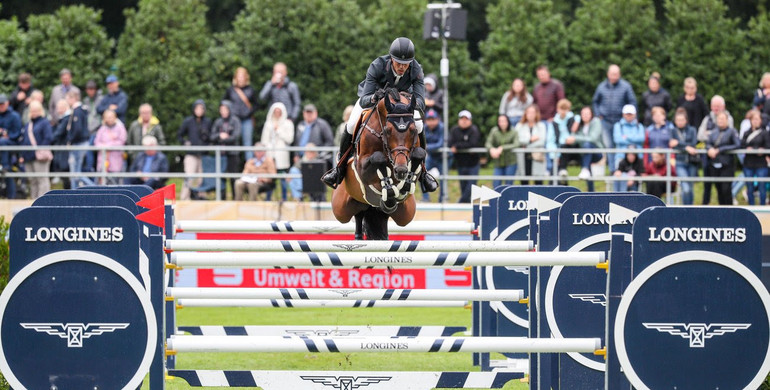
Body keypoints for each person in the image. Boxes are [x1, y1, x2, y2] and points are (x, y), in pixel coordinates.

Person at [322, 37, 437, 194]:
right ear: (391, 59)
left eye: (406, 64)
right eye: (398, 63)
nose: (402, 67)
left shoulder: (416, 69)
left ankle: (423, 173)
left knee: (418, 124)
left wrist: (406, 101)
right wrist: (375, 97)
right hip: (374, 100)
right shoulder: (377, 65)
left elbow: (421, 102)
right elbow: (364, 99)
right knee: (351, 123)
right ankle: (339, 168)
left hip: (402, 107)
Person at [592, 64, 637, 171]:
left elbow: (632, 102)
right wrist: (598, 115)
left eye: (616, 74)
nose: (614, 76)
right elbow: (595, 102)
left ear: (619, 74)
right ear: (608, 74)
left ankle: (622, 169)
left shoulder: (626, 86)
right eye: (612, 74)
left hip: (621, 122)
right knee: (609, 146)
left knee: (622, 145)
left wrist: (633, 117)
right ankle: (613, 170)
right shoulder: (601, 87)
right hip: (606, 121)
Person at [178, 99, 212, 200]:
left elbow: (211, 136)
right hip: (191, 154)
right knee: (189, 176)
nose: (199, 110)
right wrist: (185, 142)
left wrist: (207, 140)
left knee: (201, 178)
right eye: (197, 108)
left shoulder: (207, 122)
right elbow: (180, 134)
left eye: (201, 108)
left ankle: (200, 198)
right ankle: (185, 198)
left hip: (203, 154)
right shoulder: (188, 121)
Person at [704, 111, 741, 205]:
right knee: (719, 190)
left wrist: (721, 149)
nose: (720, 121)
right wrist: (710, 149)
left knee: (726, 189)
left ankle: (730, 210)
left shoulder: (732, 131)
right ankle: (723, 211)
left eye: (722, 119)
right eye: (719, 119)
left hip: (727, 165)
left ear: (727, 120)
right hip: (715, 165)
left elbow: (737, 144)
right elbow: (707, 143)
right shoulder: (713, 132)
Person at [261, 102, 294, 201]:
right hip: (270, 154)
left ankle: (284, 198)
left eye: (279, 112)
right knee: (270, 178)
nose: (277, 114)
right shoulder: (268, 123)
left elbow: (289, 139)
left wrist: (278, 130)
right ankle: (268, 198)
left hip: (281, 154)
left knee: (283, 178)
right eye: (275, 112)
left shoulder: (288, 123)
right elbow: (264, 140)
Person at [224, 67, 259, 161]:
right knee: (234, 144)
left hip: (247, 120)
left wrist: (249, 113)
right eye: (239, 76)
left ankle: (250, 168)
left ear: (246, 77)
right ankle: (233, 168)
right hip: (234, 120)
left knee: (247, 144)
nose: (240, 78)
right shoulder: (230, 90)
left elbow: (256, 104)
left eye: (242, 76)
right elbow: (224, 103)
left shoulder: (250, 90)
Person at [59, 90, 93, 188]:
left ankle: (92, 186)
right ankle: (75, 190)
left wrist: (70, 139)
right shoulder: (81, 109)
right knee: (75, 172)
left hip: (78, 143)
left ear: (73, 98)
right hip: (80, 142)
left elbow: (77, 129)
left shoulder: (77, 110)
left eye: (68, 99)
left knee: (75, 172)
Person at [19, 101, 53, 199]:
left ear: (40, 111)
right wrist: (22, 155)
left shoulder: (44, 122)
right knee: (32, 180)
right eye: (32, 111)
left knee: (42, 179)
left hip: (39, 157)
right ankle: (34, 201)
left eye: (36, 111)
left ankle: (43, 201)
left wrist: (40, 150)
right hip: (28, 156)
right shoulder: (28, 124)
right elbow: (24, 139)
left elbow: (48, 138)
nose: (34, 113)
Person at [564, 106, 604, 188]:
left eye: (587, 114)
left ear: (591, 114)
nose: (585, 116)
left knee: (587, 146)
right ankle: (591, 192)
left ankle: (585, 169)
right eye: (583, 114)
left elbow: (592, 138)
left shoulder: (596, 121)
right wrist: (573, 130)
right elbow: (572, 140)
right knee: (587, 167)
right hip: (585, 153)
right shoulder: (580, 126)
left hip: (596, 152)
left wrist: (575, 138)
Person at [210, 100, 241, 199]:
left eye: (225, 109)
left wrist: (225, 138)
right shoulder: (218, 122)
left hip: (232, 154)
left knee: (233, 178)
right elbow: (212, 136)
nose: (223, 111)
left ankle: (235, 198)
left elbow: (236, 136)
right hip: (221, 155)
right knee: (221, 178)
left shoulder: (235, 121)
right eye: (221, 109)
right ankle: (222, 199)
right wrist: (220, 135)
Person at [449, 110, 480, 203]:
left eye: (466, 119)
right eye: (462, 118)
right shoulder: (455, 130)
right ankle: (465, 207)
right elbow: (450, 143)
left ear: (470, 121)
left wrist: (457, 146)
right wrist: (461, 145)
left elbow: (472, 143)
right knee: (463, 187)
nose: (464, 121)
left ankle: (460, 203)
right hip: (460, 163)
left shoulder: (474, 130)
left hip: (473, 164)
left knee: (470, 187)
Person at [670, 108, 699, 205]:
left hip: (691, 162)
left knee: (690, 188)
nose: (680, 122)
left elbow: (693, 144)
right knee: (685, 187)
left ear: (686, 120)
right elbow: (672, 144)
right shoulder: (673, 131)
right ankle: (686, 209)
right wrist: (686, 147)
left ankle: (690, 209)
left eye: (682, 120)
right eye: (678, 120)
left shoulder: (692, 130)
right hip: (680, 162)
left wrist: (679, 143)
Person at [741, 110, 769, 205]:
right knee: (750, 187)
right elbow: (741, 145)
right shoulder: (746, 133)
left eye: (757, 119)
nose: (755, 121)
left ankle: (762, 207)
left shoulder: (765, 133)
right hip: (748, 163)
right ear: (750, 120)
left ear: (761, 120)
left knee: (762, 187)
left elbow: (768, 146)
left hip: (761, 164)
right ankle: (751, 207)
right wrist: (748, 148)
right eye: (753, 119)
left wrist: (760, 150)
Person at [295, 104, 334, 169]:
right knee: (294, 171)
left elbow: (329, 141)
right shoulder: (300, 125)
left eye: (311, 112)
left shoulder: (322, 124)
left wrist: (319, 154)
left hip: (317, 159)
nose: (309, 114)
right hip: (301, 158)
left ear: (316, 113)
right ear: (303, 113)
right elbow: (296, 141)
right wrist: (296, 155)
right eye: (307, 112)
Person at [515, 105, 547, 184]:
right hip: (523, 156)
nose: (531, 114)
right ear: (525, 113)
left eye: (533, 112)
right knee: (524, 179)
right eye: (529, 112)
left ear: (536, 114)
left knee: (538, 181)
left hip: (537, 155)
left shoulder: (541, 126)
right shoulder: (519, 126)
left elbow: (542, 141)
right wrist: (530, 140)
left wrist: (526, 145)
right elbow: (518, 141)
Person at [486, 114, 519, 188]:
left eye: (504, 121)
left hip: (511, 162)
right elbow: (488, 143)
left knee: (508, 185)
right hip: (498, 162)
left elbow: (516, 144)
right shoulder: (494, 131)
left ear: (508, 122)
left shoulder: (513, 131)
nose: (502, 123)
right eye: (500, 121)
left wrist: (502, 148)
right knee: (496, 184)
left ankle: (508, 199)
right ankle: (496, 199)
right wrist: (491, 149)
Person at [94, 110, 127, 182]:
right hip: (103, 162)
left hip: (115, 162)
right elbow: (96, 143)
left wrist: (107, 146)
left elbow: (121, 142)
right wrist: (105, 146)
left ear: (115, 118)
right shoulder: (102, 129)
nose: (109, 119)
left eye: (111, 117)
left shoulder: (120, 128)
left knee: (115, 184)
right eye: (107, 117)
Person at [612, 104, 645, 170]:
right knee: (620, 178)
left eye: (631, 114)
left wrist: (626, 137)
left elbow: (641, 138)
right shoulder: (618, 125)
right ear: (623, 114)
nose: (629, 116)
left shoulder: (639, 125)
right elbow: (617, 139)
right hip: (621, 156)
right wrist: (634, 139)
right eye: (627, 114)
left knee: (637, 178)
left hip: (637, 158)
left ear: (635, 114)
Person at [423, 109, 445, 201]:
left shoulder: (441, 127)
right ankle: (425, 198)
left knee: (444, 178)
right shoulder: (424, 128)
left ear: (438, 119)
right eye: (429, 119)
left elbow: (440, 143)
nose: (431, 122)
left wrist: (427, 147)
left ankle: (442, 198)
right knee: (422, 174)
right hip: (431, 157)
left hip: (443, 157)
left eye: (433, 119)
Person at [550, 99, 575, 178]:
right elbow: (550, 140)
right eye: (562, 109)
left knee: (561, 172)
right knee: (554, 173)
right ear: (558, 109)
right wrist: (555, 156)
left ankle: (563, 169)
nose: (563, 111)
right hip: (556, 151)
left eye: (565, 109)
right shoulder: (554, 122)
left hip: (570, 149)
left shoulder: (573, 120)